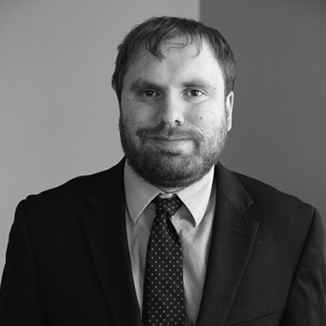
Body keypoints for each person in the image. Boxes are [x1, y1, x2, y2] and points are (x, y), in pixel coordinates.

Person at [0, 16, 325, 326]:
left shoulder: (293, 228)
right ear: (121, 103)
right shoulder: (41, 226)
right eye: (148, 92)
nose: (170, 116)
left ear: (227, 110)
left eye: (194, 92)